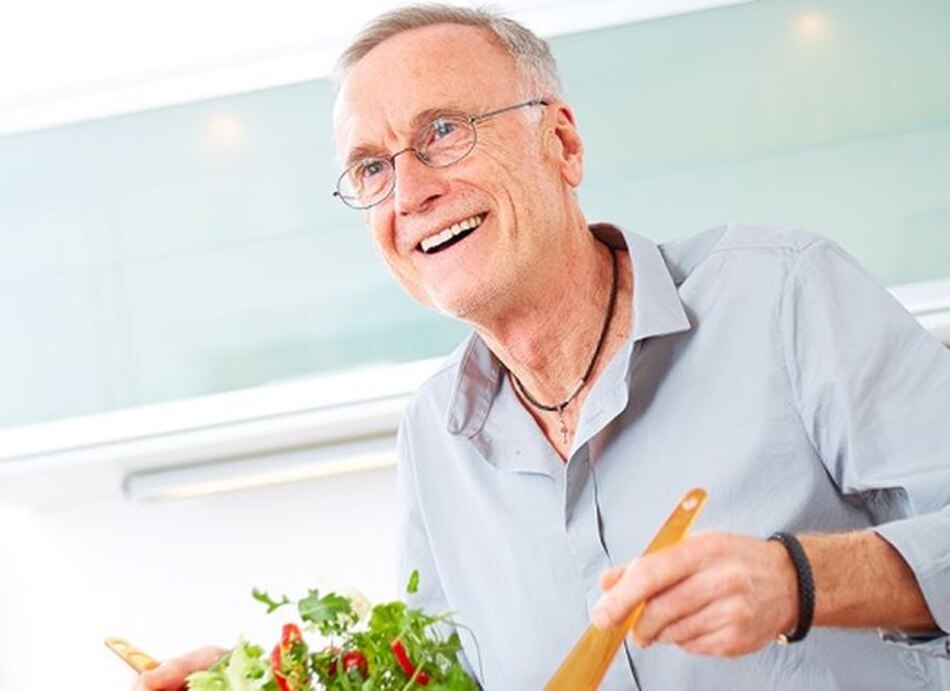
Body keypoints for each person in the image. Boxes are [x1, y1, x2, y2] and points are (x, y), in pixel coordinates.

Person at [138, 4, 950, 690]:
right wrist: (273, 679)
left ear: (561, 144)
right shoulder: (434, 438)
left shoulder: (781, 295)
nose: (411, 192)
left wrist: (798, 582)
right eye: (371, 168)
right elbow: (440, 676)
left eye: (444, 131)